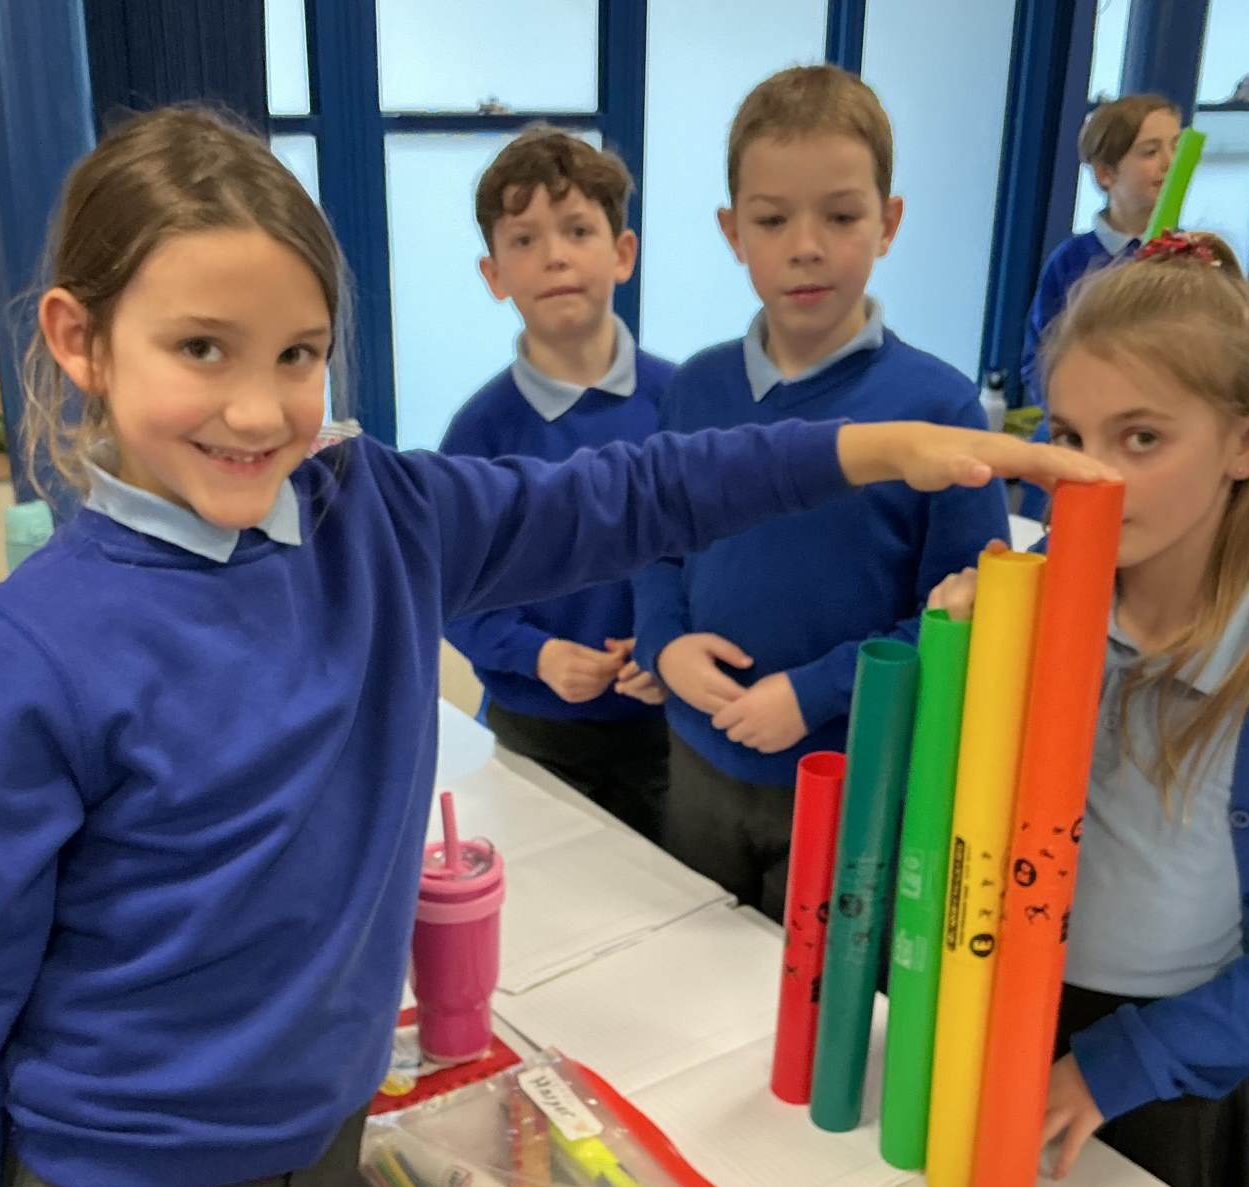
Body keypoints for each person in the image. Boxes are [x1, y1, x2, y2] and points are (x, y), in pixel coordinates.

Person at [0, 104, 1112, 1187]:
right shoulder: (22, 655)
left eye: (298, 355)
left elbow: (641, 492)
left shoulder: (374, 516)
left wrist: (873, 448)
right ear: (80, 342)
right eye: (200, 349)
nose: (258, 408)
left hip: (319, 1148)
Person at [931, 231, 1249, 1187]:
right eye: (1068, 435)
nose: (1090, 477)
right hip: (998, 1011)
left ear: (1247, 444)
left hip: (1171, 1070)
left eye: (1141, 438)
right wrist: (959, 660)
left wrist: (1117, 1068)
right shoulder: (1025, 621)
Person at [633, 64, 1009, 918]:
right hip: (698, 760)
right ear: (733, 231)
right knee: (686, 965)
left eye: (840, 216)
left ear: (889, 222)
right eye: (772, 219)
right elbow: (655, 545)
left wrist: (817, 693)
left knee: (811, 987)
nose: (806, 246)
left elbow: (961, 618)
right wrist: (663, 645)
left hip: (851, 783)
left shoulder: (939, 411)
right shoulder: (694, 390)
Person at [441, 127, 674, 837]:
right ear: (494, 275)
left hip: (672, 732)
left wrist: (673, 640)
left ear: (622, 253)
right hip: (531, 733)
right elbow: (449, 591)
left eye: (577, 230)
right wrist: (534, 654)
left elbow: (723, 559)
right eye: (525, 240)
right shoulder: (480, 433)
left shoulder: (685, 405)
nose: (556, 256)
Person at [1019, 93, 1180, 405]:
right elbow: (1039, 361)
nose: (1169, 162)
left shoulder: (1193, 256)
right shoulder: (1071, 261)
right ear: (1105, 173)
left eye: (1177, 147)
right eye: (1150, 152)